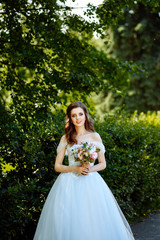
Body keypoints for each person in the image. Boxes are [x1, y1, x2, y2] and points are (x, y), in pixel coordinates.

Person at [33, 102, 135, 240]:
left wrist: (90, 169)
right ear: (70, 118)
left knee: (93, 219)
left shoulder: (95, 136)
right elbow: (57, 166)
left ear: (86, 115)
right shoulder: (66, 138)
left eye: (80, 114)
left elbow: (103, 163)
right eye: (73, 115)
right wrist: (75, 168)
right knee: (68, 220)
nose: (78, 118)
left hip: (91, 182)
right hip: (68, 184)